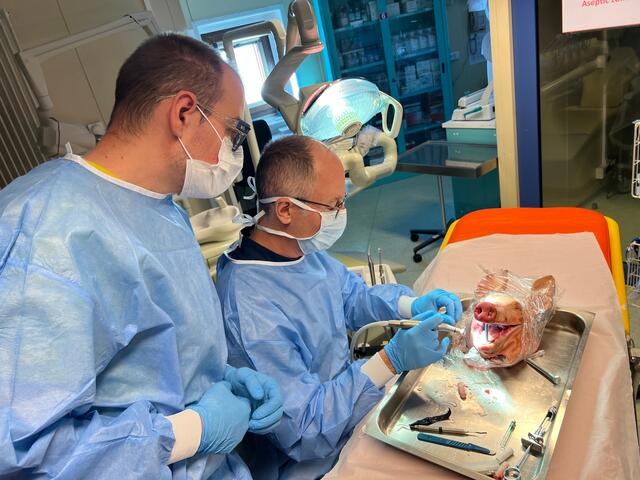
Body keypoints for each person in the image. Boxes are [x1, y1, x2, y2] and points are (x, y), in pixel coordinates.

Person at [0, 34, 283, 479]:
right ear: (184, 113)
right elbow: (26, 451)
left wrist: (221, 378)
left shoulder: (160, 208)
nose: (233, 152)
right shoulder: (50, 231)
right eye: (233, 132)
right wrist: (191, 430)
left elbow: (155, 354)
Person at [216, 135, 462, 479]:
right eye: (333, 205)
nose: (341, 213)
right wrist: (389, 361)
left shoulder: (299, 248)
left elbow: (351, 295)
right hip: (313, 460)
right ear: (285, 209)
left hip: (349, 408)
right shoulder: (249, 305)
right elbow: (305, 429)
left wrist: (410, 305)